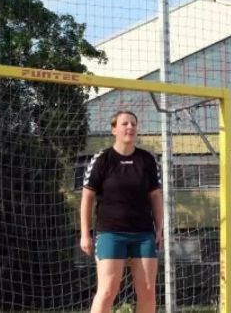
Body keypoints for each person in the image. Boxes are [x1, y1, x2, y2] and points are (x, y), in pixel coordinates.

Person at [80, 110, 163, 313]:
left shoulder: (147, 160)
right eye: (125, 123)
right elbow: (87, 198)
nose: (130, 127)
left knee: (148, 291)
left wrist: (160, 229)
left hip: (143, 234)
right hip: (110, 233)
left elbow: (156, 197)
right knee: (107, 290)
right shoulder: (102, 159)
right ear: (114, 129)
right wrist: (85, 234)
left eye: (133, 124)